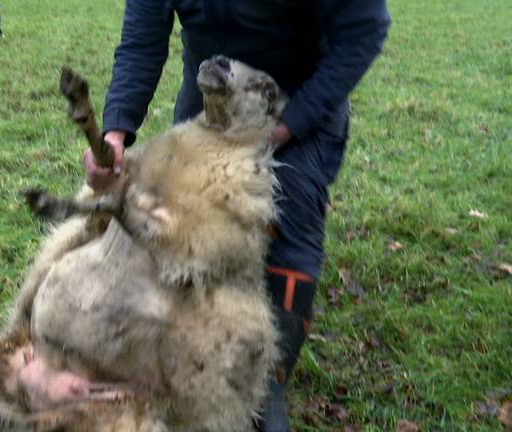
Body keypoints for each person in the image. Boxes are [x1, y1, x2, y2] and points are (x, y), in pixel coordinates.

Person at [82, 1, 391, 431]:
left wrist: (285, 127)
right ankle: (188, 367)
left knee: (288, 213)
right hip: (211, 100)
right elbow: (142, 41)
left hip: (297, 103)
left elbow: (365, 31)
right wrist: (114, 134)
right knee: (183, 233)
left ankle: (268, 386)